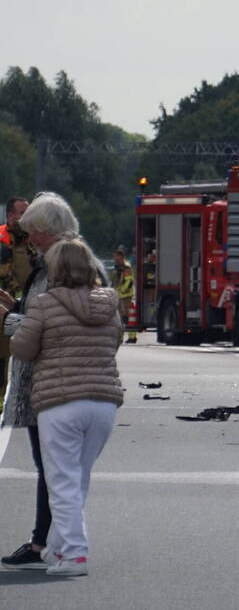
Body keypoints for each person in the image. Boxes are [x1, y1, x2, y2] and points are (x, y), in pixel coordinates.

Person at [0, 192, 105, 571]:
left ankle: (51, 542)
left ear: (47, 230)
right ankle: (55, 542)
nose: (30, 240)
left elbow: (43, 327)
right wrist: (18, 309)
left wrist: (12, 320)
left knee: (53, 468)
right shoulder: (84, 268)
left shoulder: (58, 268)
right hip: (83, 385)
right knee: (62, 470)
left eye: (33, 233)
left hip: (52, 382)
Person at [9, 238, 123, 576]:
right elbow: (115, 342)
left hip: (60, 401)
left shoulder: (44, 303)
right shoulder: (110, 303)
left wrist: (14, 324)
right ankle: (58, 548)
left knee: (62, 482)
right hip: (104, 401)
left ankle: (74, 555)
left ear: (56, 268)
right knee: (78, 479)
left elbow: (23, 349)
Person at [1, 197, 32, 397]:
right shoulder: (2, 239)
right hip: (4, 308)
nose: (28, 217)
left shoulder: (32, 241)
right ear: (11, 216)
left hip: (27, 308)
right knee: (2, 356)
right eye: (23, 213)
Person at [112, 247, 136, 343]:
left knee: (127, 317)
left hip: (126, 295)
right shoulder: (118, 267)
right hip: (119, 295)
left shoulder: (126, 267)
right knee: (120, 317)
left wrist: (123, 290)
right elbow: (116, 280)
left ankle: (132, 337)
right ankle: (121, 337)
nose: (114, 258)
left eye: (116, 256)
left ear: (121, 257)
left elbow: (129, 281)